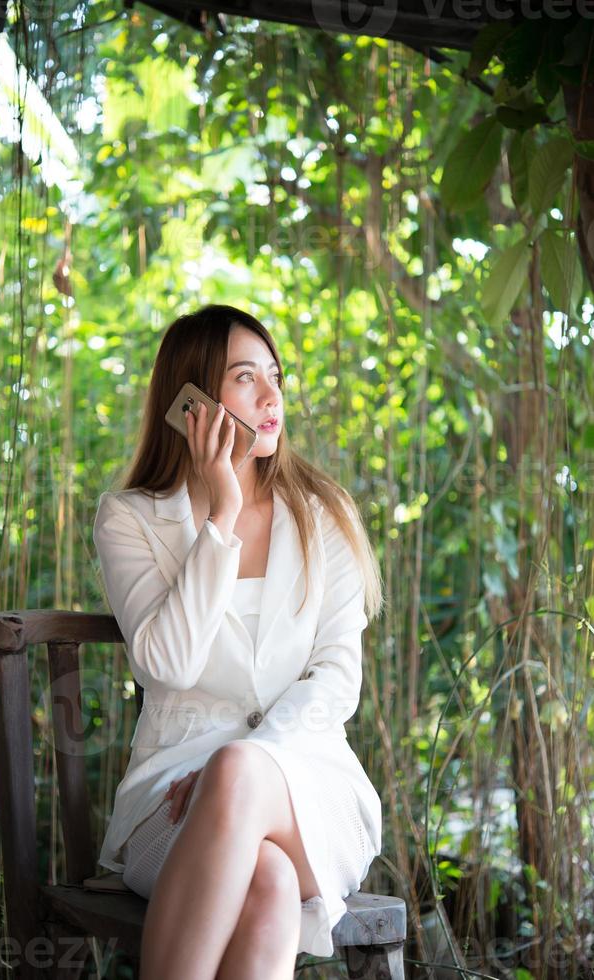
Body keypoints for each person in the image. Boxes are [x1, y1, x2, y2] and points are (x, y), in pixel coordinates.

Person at [93, 304, 384, 980]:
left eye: (275, 377)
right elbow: (166, 662)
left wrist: (241, 769)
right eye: (245, 378)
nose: (272, 396)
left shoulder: (323, 516)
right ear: (191, 400)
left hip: (308, 787)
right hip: (167, 802)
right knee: (269, 887)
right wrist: (221, 515)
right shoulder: (132, 519)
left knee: (238, 772)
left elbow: (337, 679)